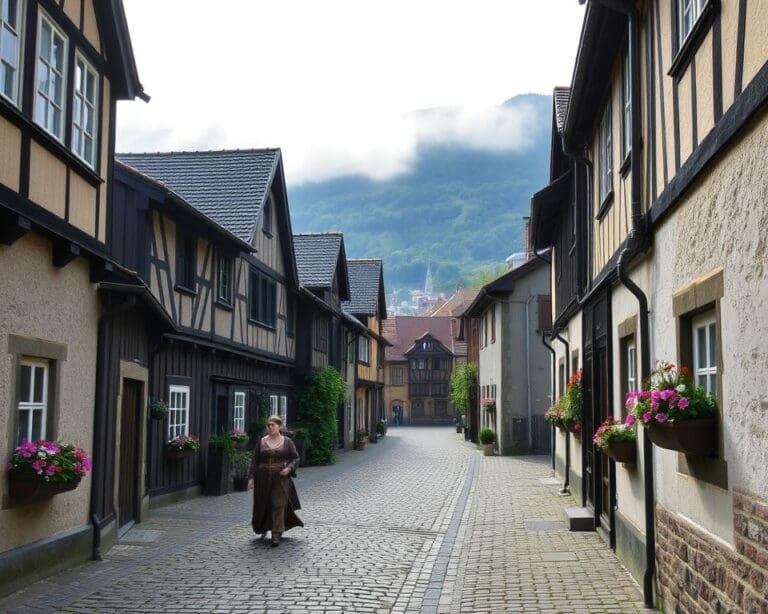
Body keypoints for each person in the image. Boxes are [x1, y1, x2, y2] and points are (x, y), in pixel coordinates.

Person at [248, 415, 303, 546]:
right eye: (269, 425)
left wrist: (289, 468)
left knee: (278, 504)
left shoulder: (287, 441)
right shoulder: (261, 442)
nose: (270, 427)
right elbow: (254, 461)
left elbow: (296, 458)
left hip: (281, 478)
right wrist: (251, 477)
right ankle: (263, 526)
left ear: (279, 426)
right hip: (263, 478)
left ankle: (276, 534)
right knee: (264, 503)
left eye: (273, 425)